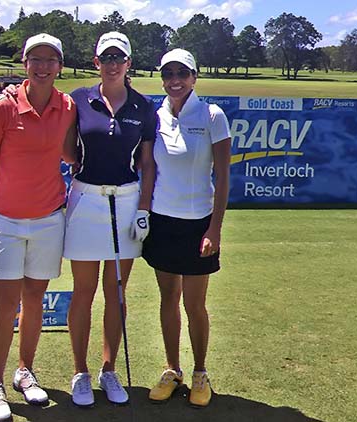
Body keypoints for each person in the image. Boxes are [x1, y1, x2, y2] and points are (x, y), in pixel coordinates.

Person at [0, 33, 77, 421]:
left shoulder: (67, 106)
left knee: (34, 300)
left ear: (60, 66)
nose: (44, 66)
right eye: (36, 59)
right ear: (25, 63)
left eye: (51, 60)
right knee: (5, 306)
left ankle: (24, 372)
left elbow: (67, 151)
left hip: (49, 219)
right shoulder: (3, 106)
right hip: (5, 221)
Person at [64, 31, 157, 407]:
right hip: (87, 200)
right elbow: (68, 150)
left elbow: (147, 165)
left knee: (115, 293)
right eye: (106, 57)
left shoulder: (144, 107)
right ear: (96, 62)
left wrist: (144, 210)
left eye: (120, 57)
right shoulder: (78, 101)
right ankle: (80, 372)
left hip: (126, 202)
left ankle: (108, 369)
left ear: (129, 63)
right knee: (83, 292)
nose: (113, 63)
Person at [142, 49, 231, 408]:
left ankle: (199, 373)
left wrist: (215, 229)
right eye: (168, 73)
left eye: (182, 73)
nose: (174, 80)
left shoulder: (212, 115)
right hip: (163, 222)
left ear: (194, 77)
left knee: (195, 306)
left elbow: (223, 178)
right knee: (168, 300)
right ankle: (172, 369)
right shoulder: (156, 114)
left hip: (198, 225)